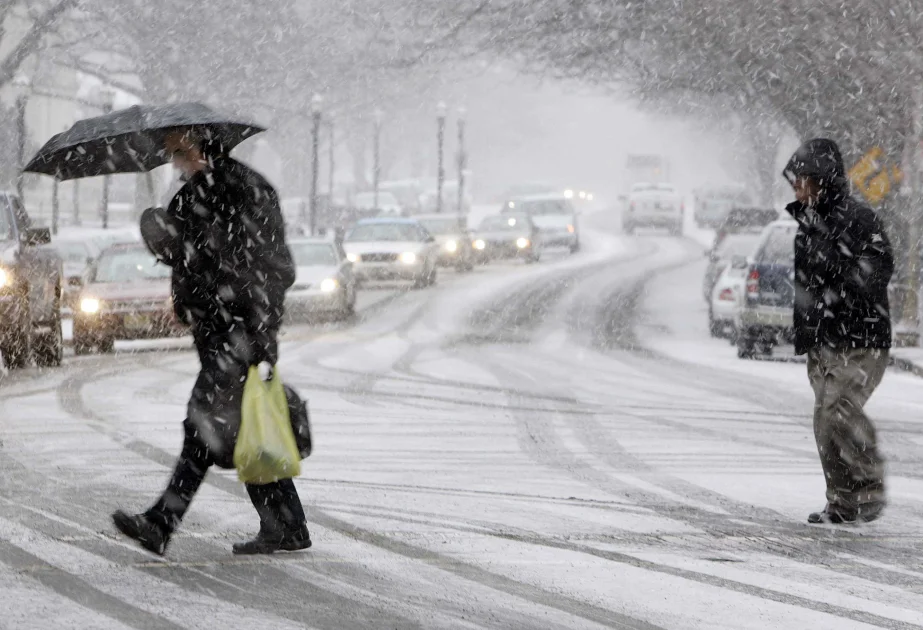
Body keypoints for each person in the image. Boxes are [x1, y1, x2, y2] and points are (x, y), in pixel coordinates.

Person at [112, 127, 310, 555]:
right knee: (243, 428)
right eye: (170, 154)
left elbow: (277, 269)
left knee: (201, 426)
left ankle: (161, 522)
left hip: (239, 334)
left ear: (202, 145)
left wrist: (254, 329)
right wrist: (162, 238)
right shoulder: (191, 195)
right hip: (216, 331)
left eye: (179, 150)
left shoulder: (248, 190)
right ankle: (288, 526)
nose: (174, 160)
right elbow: (183, 254)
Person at [783, 138, 893, 525]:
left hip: (861, 338)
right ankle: (843, 503)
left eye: (802, 179)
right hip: (824, 342)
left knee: (839, 412)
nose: (796, 187)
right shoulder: (807, 227)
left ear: (821, 179)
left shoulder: (858, 219)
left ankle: (869, 485)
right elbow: (805, 288)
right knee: (825, 424)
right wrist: (806, 332)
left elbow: (879, 268)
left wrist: (843, 287)